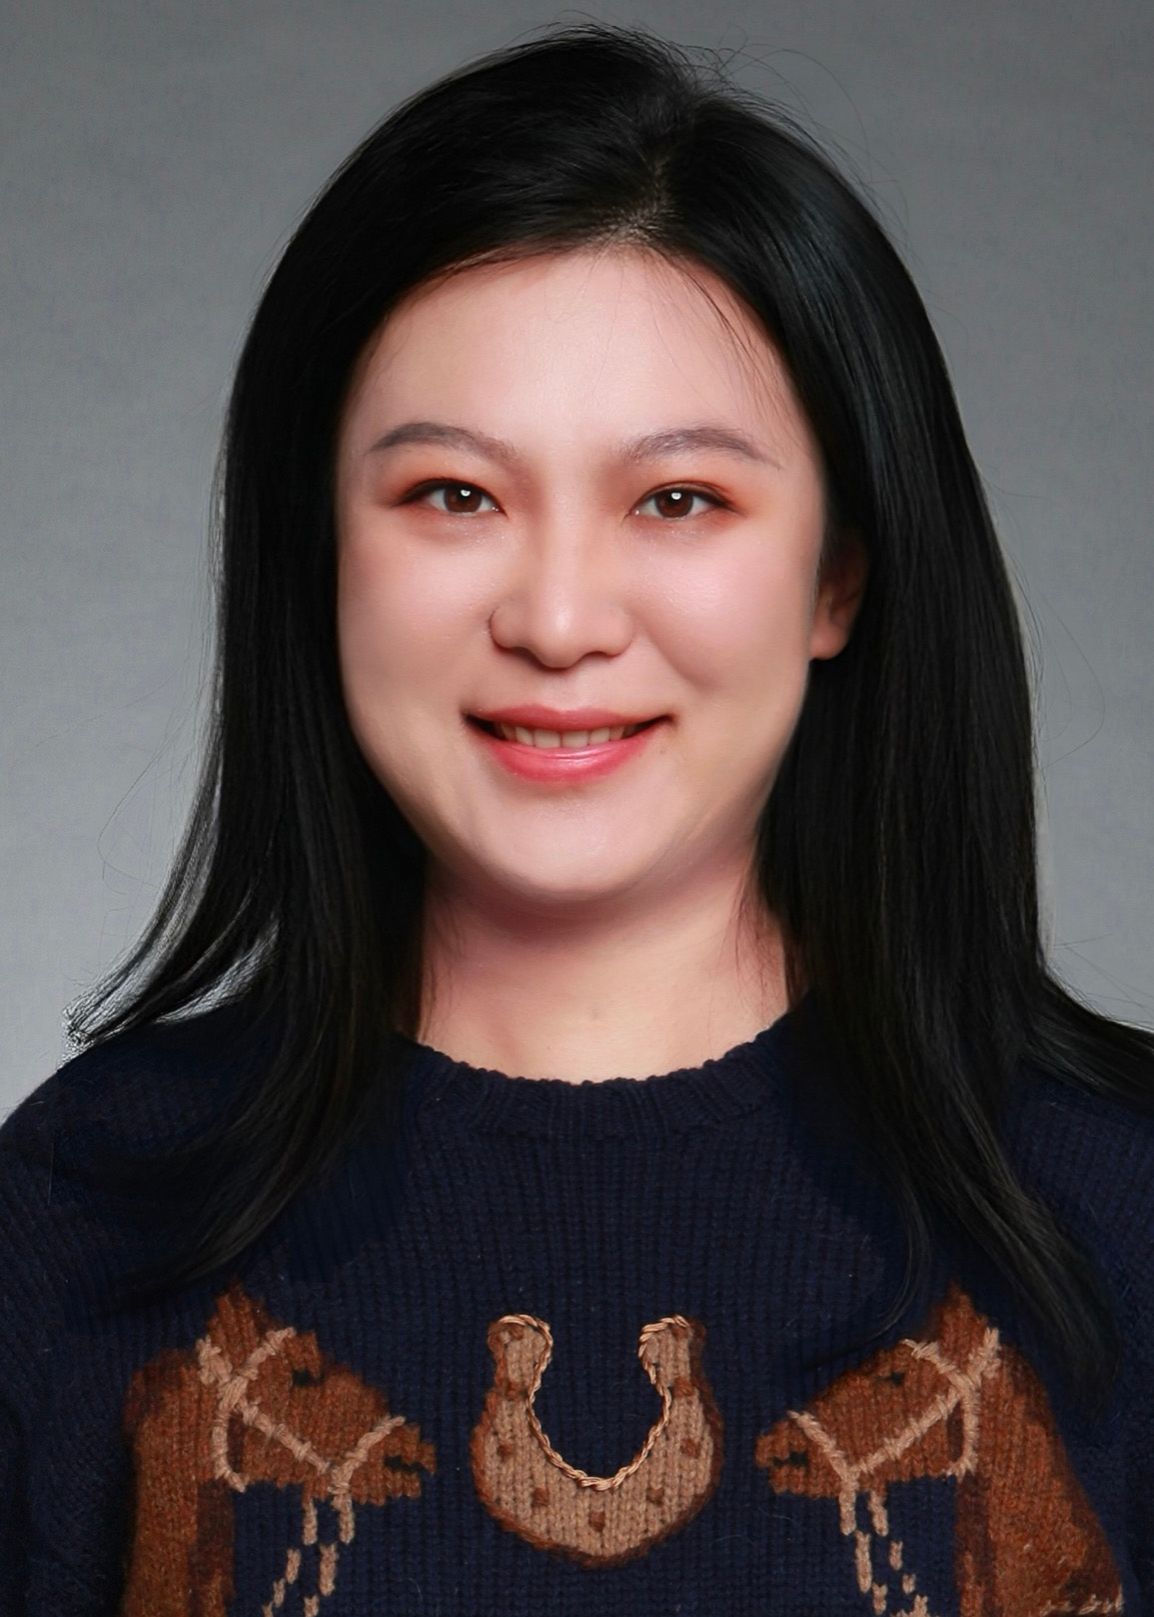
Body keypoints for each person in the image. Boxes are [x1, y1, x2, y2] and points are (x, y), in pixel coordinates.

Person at [3, 20, 1153, 1615]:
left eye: (678, 499)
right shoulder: (84, 1206)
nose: (556, 620)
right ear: (321, 555)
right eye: (452, 495)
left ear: (837, 574)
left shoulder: (1114, 1203)